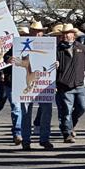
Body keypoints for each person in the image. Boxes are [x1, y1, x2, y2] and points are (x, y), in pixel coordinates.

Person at [18, 21, 55, 151]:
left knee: (47, 111)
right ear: (31, 32)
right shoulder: (20, 45)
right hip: (25, 81)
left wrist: (56, 64)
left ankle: (44, 139)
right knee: (26, 113)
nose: (38, 33)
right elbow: (8, 57)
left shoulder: (48, 45)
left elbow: (53, 60)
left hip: (43, 83)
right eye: (35, 31)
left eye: (40, 31)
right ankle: (26, 140)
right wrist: (9, 60)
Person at [55, 23, 85, 143]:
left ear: (73, 35)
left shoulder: (82, 48)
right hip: (64, 85)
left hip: (79, 84)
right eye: (63, 34)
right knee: (66, 111)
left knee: (82, 108)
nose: (65, 36)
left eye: (67, 33)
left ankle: (70, 124)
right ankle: (67, 133)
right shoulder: (56, 49)